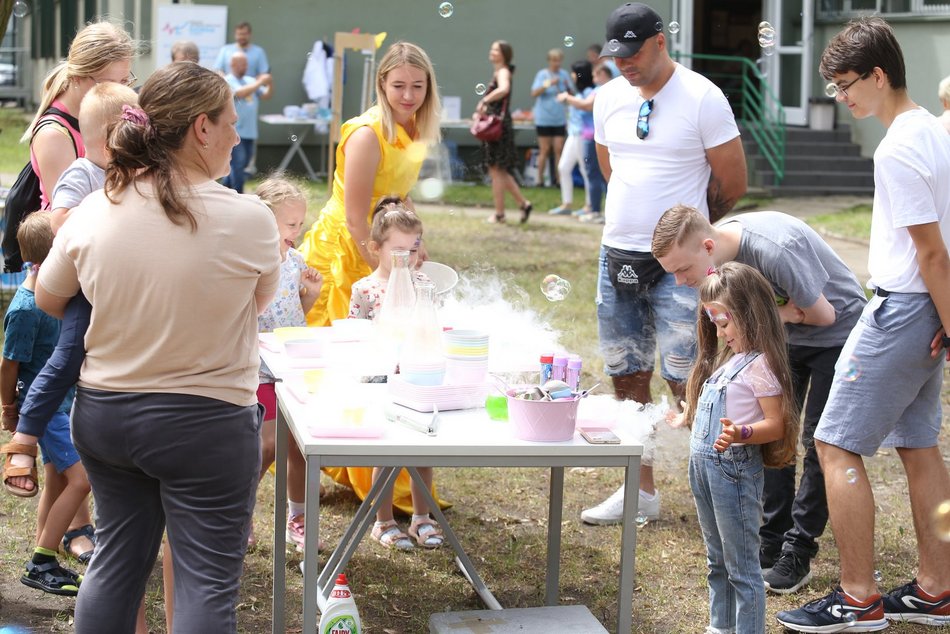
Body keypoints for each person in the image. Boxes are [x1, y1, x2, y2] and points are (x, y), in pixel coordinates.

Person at [34, 61, 281, 632]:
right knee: (205, 583)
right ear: (201, 128)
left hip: (107, 416)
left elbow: (49, 297)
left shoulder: (97, 209)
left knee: (115, 565)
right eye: (232, 123)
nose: (237, 136)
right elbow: (259, 300)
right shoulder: (250, 219)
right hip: (208, 424)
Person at [777, 17, 950, 632]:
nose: (842, 98)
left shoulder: (899, 147)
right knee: (917, 444)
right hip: (926, 305)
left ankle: (857, 598)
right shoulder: (932, 128)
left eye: (846, 84)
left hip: (905, 305)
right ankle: (935, 590)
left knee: (833, 442)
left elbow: (931, 251)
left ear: (880, 75)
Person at [580, 2, 747, 526]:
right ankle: (639, 491)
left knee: (691, 374)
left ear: (659, 41)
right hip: (619, 256)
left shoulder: (703, 96)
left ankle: (716, 491)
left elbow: (732, 182)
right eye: (616, 55)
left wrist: (689, 238)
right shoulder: (607, 97)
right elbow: (612, 169)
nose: (624, 64)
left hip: (683, 266)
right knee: (627, 373)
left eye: (632, 53)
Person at [651, 205, 866, 595]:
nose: (681, 282)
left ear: (709, 246)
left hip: (837, 335)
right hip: (784, 333)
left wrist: (776, 315)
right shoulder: (710, 269)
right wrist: (696, 404)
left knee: (819, 441)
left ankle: (798, 551)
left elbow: (824, 314)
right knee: (767, 429)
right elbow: (714, 337)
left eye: (683, 270)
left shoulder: (774, 249)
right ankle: (772, 538)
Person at [10, 18, 135, 563]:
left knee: (77, 395)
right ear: (88, 76)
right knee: (62, 373)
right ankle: (26, 446)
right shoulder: (63, 137)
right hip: (65, 287)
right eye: (120, 76)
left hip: (96, 281)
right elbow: (65, 221)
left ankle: (57, 535)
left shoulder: (104, 137)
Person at [297, 41, 442, 514]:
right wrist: (381, 266)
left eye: (417, 86)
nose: (408, 95)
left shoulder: (415, 128)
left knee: (391, 362)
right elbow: (357, 215)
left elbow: (399, 196)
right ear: (382, 84)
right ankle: (328, 463)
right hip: (348, 249)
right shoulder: (365, 135)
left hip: (385, 245)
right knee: (342, 362)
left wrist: (416, 245)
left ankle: (381, 465)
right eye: (399, 85)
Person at [669, 261, 798, 634]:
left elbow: (776, 424)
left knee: (742, 567)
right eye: (714, 324)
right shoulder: (730, 361)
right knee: (716, 561)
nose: (720, 332)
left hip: (733, 471)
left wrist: (741, 432)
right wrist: (685, 418)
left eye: (724, 323)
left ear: (751, 314)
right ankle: (719, 628)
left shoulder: (761, 365)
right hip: (704, 470)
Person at [347, 198, 443, 551]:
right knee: (386, 453)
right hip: (382, 381)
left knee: (424, 452)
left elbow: (435, 327)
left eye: (413, 250)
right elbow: (355, 335)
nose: (408, 258)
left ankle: (422, 518)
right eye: (398, 250)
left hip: (418, 377)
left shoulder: (424, 284)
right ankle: (383, 521)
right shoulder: (364, 289)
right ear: (376, 249)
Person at [1, 214, 84, 596]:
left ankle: (44, 549)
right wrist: (8, 407)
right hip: (46, 410)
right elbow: (8, 364)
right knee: (84, 479)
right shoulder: (25, 309)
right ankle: (42, 559)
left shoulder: (58, 298)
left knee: (57, 479)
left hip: (64, 404)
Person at [253, 176, 323, 551]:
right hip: (259, 368)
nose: (299, 231)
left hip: (293, 367)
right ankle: (240, 512)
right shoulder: (252, 263)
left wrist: (310, 295)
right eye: (291, 224)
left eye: (301, 223)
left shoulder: (295, 262)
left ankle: (297, 517)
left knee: (299, 447)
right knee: (265, 446)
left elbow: (295, 316)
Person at [476, 40, 532, 224]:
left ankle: (499, 214)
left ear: (503, 54)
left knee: (496, 170)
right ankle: (523, 204)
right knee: (499, 170)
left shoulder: (503, 71)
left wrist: (485, 100)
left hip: (498, 126)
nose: (491, 52)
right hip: (500, 125)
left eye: (495, 49)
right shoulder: (501, 71)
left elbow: (504, 89)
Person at [222, 51, 273, 193]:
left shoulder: (251, 81)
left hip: (251, 131)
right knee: (237, 164)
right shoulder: (227, 80)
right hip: (235, 131)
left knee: (242, 164)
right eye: (242, 64)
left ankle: (225, 189)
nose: (245, 66)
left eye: (246, 64)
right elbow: (240, 93)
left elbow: (266, 95)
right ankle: (238, 194)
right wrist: (260, 82)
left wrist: (269, 82)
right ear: (232, 64)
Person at [549, 60, 592, 217]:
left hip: (583, 135)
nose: (573, 75)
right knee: (563, 167)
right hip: (573, 135)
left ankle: (589, 205)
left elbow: (586, 105)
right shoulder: (580, 93)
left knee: (585, 171)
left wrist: (567, 98)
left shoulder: (590, 92)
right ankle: (567, 203)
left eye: (574, 73)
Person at [530, 48, 571, 188]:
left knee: (558, 149)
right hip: (544, 118)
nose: (557, 63)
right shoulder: (542, 75)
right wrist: (548, 83)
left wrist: (566, 87)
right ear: (549, 61)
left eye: (559, 60)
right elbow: (534, 93)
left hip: (559, 118)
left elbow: (571, 92)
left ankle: (559, 181)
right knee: (545, 150)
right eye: (554, 60)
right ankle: (539, 180)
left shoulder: (564, 75)